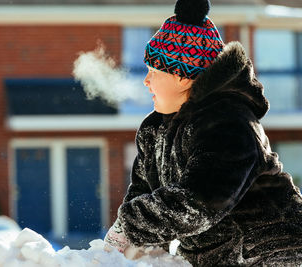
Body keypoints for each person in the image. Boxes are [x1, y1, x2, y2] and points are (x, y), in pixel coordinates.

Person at [104, 0, 302, 266]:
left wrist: (130, 225)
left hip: (274, 253)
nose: (146, 80)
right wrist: (131, 243)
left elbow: (201, 200)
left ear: (181, 76)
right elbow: (143, 193)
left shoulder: (228, 124)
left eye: (153, 71)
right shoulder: (154, 131)